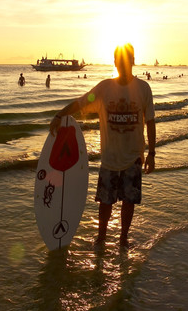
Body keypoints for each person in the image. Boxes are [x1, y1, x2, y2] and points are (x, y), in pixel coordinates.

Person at [49, 43, 156, 248]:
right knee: (105, 202)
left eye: (126, 60)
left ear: (132, 61)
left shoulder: (143, 88)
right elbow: (81, 103)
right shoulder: (104, 88)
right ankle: (101, 238)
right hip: (109, 158)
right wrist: (59, 114)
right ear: (115, 62)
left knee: (129, 202)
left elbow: (150, 121)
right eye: (119, 61)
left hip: (133, 156)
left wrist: (151, 153)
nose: (123, 65)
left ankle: (123, 238)